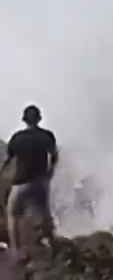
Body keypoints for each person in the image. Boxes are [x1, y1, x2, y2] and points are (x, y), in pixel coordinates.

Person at [0, 106, 58, 258]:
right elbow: (54, 156)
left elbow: (8, 160)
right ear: (39, 119)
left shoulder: (17, 137)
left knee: (12, 214)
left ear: (24, 120)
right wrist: (50, 172)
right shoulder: (47, 136)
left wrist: (2, 173)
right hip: (40, 182)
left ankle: (16, 251)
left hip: (20, 183)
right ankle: (53, 245)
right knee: (45, 214)